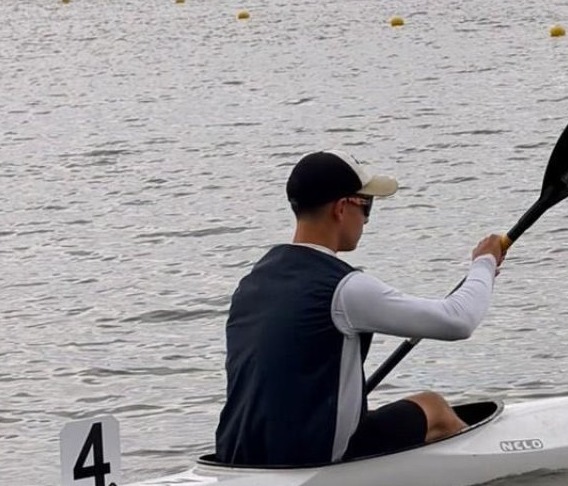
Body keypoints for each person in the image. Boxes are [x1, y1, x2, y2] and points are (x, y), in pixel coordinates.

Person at [214, 149, 505, 466]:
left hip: (237, 456)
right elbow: (458, 321)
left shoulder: (252, 283)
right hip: (311, 461)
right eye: (366, 205)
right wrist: (484, 263)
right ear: (341, 208)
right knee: (434, 409)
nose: (366, 219)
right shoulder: (344, 287)